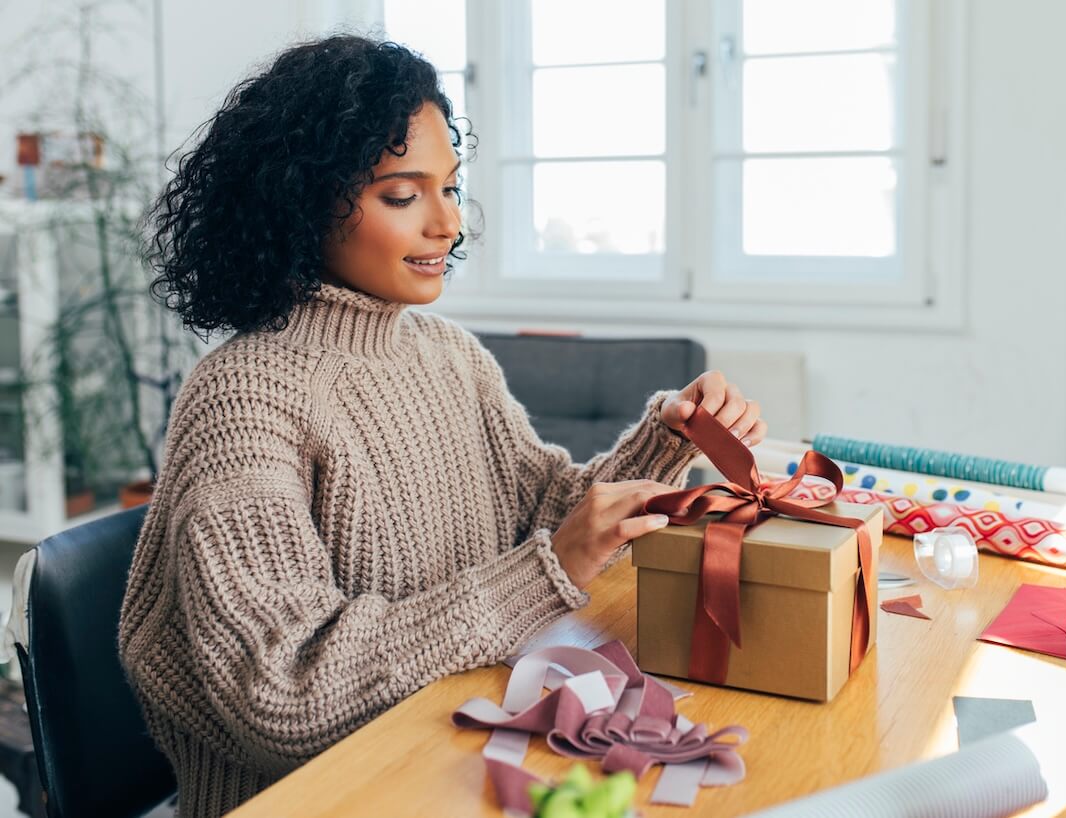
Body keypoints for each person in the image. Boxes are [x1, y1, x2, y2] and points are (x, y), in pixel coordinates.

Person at [118, 34, 766, 817]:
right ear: (299, 201)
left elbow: (547, 518)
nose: (448, 225)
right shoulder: (242, 400)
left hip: (452, 755)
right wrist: (544, 568)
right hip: (328, 797)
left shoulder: (446, 354)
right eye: (403, 196)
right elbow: (284, 692)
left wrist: (669, 438)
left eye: (451, 188)